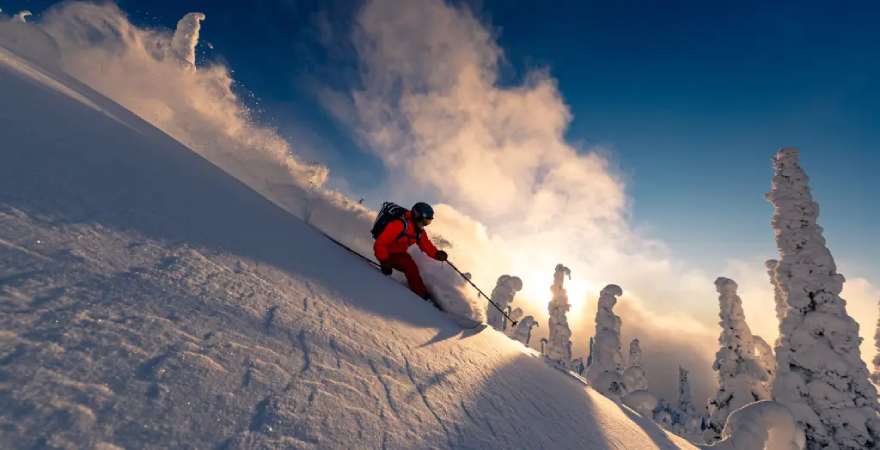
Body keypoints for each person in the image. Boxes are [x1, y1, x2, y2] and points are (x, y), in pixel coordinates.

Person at [373, 202, 447, 300]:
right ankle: (421, 296)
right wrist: (384, 261)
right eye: (425, 221)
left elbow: (426, 246)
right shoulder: (399, 225)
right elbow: (380, 244)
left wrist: (437, 254)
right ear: (417, 216)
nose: (425, 225)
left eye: (428, 222)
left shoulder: (419, 231)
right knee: (410, 267)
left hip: (399, 253)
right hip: (386, 253)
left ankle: (421, 293)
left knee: (411, 267)